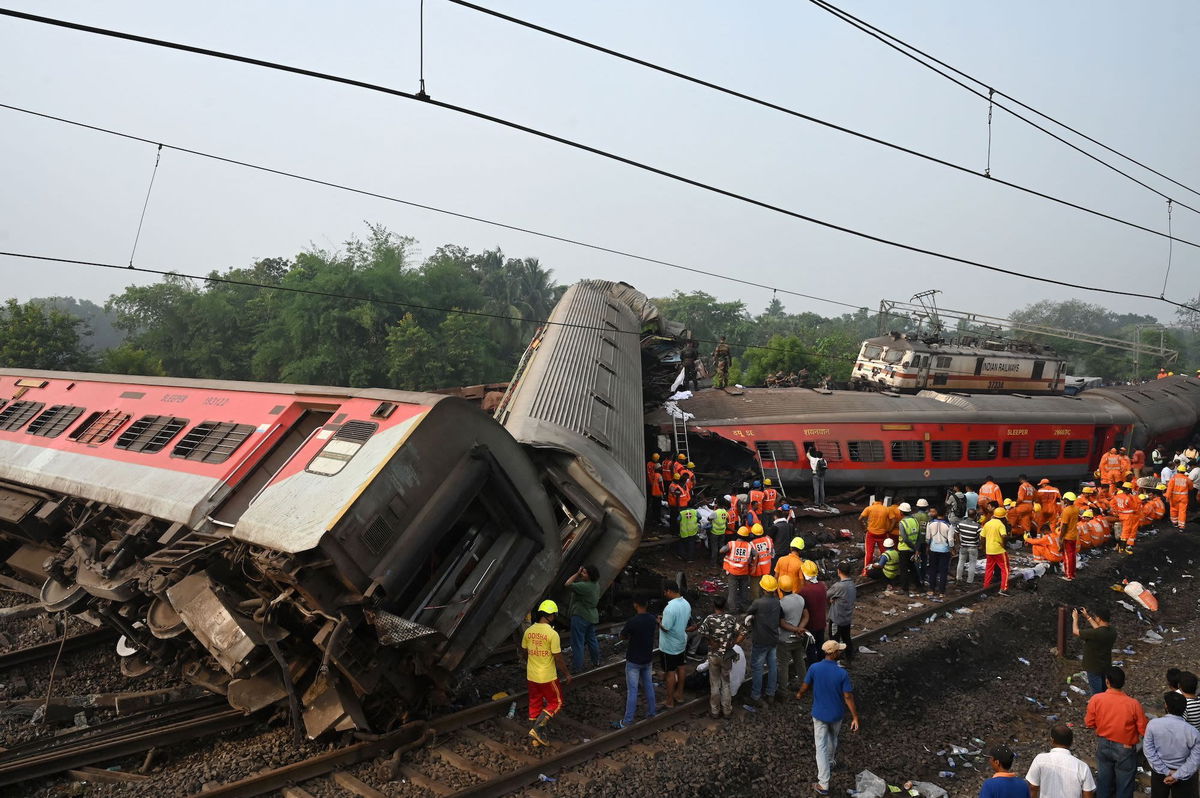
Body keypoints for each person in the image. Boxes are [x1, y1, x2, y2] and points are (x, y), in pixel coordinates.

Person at [795, 640, 859, 797]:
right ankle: (830, 762)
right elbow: (848, 696)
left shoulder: (814, 668)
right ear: (835, 653)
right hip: (837, 714)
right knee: (833, 738)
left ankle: (823, 784)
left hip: (819, 714)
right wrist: (855, 716)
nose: (841, 653)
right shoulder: (842, 673)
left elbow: (805, 685)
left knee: (821, 746)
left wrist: (799, 694)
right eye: (840, 651)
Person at [1085, 666, 1148, 798]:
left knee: (1103, 781)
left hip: (1103, 743)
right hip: (1125, 748)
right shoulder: (1133, 704)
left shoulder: (1096, 699)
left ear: (1107, 682)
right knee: (1124, 784)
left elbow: (1089, 723)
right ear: (1123, 683)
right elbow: (1143, 729)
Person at [521, 600, 572, 746]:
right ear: (551, 616)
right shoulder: (552, 634)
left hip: (531, 675)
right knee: (556, 702)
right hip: (547, 676)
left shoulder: (529, 631)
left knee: (535, 702)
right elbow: (558, 658)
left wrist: (532, 661)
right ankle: (538, 729)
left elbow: (525, 652)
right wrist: (567, 673)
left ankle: (535, 738)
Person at [691, 594, 743, 719]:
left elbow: (700, 632)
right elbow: (743, 632)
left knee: (715, 684)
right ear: (725, 606)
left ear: (714, 606)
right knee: (725, 683)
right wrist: (733, 643)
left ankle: (715, 711)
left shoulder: (709, 619)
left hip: (713, 656)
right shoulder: (731, 619)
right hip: (726, 656)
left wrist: (711, 640)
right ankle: (727, 711)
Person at [1144, 691, 1200, 797]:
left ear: (1166, 706)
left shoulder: (1153, 725)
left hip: (1159, 772)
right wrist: (1177, 774)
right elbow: (1195, 760)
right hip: (1184, 774)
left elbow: (1148, 750)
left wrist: (1166, 771)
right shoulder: (1193, 732)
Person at [615, 596, 657, 728]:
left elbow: (623, 636)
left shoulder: (632, 621)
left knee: (632, 691)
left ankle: (627, 721)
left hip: (634, 660)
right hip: (647, 658)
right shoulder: (652, 619)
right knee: (648, 686)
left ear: (635, 605)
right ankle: (651, 712)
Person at [1024, 723, 1097, 798]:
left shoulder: (1040, 759)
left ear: (1052, 740)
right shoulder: (1082, 767)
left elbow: (1033, 787)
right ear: (1071, 742)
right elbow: (1088, 794)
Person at [744, 574, 782, 709]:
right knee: (772, 666)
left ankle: (755, 696)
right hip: (773, 639)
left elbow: (748, 614)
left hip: (760, 640)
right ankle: (770, 693)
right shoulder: (777, 602)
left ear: (763, 588)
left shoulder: (758, 603)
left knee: (757, 668)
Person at [658, 582, 691, 709]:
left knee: (670, 672)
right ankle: (680, 694)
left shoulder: (670, 608)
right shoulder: (686, 604)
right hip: (681, 642)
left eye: (665, 592)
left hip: (669, 646)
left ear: (670, 591)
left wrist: (659, 621)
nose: (665, 595)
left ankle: (669, 701)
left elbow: (666, 627)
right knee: (681, 667)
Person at [564, 565, 601, 673]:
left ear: (590, 576)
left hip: (580, 616)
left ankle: (577, 668)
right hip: (591, 616)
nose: (581, 574)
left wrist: (576, 573)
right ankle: (596, 661)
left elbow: (567, 584)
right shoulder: (596, 584)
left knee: (578, 643)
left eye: (584, 573)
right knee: (592, 640)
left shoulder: (583, 586)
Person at [776, 574, 810, 691]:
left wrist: (796, 629)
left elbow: (782, 624)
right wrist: (800, 628)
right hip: (798, 638)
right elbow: (806, 616)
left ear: (779, 588)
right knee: (799, 661)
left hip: (784, 639)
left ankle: (783, 690)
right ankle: (804, 685)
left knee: (783, 665)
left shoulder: (781, 604)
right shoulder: (800, 599)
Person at [1074, 606, 1117, 695]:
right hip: (1105, 665)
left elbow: (1075, 631)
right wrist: (1087, 617)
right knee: (1105, 690)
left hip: (1093, 668)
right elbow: (1099, 629)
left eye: (1096, 617)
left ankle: (1100, 707)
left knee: (1097, 694)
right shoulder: (1112, 631)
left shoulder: (1095, 634)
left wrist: (1075, 619)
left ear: (1099, 618)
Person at [798, 559, 829, 661]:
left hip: (810, 626)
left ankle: (813, 670)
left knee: (810, 650)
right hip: (821, 622)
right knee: (820, 648)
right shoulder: (822, 586)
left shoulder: (804, 591)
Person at [826, 561, 857, 662]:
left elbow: (826, 595)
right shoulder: (852, 584)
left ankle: (835, 661)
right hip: (847, 618)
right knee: (846, 638)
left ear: (838, 571)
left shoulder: (838, 586)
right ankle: (849, 659)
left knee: (834, 641)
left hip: (837, 619)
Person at [925, 507, 955, 599]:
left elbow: (928, 538)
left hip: (933, 549)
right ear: (945, 513)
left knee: (932, 570)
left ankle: (931, 590)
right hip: (944, 550)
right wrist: (952, 548)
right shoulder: (949, 525)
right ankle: (941, 592)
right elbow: (950, 540)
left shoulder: (930, 524)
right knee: (943, 571)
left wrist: (928, 546)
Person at [858, 498, 893, 575]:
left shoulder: (869, 508)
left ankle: (866, 572)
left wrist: (864, 528)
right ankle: (885, 569)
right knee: (884, 552)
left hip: (871, 534)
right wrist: (889, 529)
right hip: (882, 534)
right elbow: (892, 520)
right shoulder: (886, 509)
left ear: (874, 500)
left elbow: (860, 519)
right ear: (882, 500)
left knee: (869, 554)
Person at [722, 526, 753, 611]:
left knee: (732, 592)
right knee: (744, 591)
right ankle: (744, 607)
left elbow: (722, 550)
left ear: (737, 534)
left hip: (732, 572)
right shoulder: (749, 546)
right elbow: (755, 554)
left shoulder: (732, 544)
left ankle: (732, 609)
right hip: (744, 572)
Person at [896, 502, 923, 596]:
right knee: (912, 568)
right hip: (913, 549)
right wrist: (916, 548)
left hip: (904, 549)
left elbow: (905, 538)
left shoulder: (902, 523)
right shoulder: (915, 521)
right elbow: (919, 536)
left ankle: (904, 589)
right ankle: (919, 587)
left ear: (902, 512)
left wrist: (913, 547)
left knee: (903, 570)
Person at [983, 506, 1011, 595]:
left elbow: (982, 537)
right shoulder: (1000, 524)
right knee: (1005, 569)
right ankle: (1004, 589)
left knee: (989, 569)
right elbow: (1004, 536)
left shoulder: (987, 523)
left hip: (989, 550)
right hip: (999, 550)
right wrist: (1004, 545)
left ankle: (986, 587)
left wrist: (983, 547)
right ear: (1003, 517)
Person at [1058, 492, 1081, 581]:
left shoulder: (1066, 510)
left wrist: (1061, 537)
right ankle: (1072, 573)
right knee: (1072, 555)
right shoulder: (1076, 508)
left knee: (1067, 556)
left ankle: (1068, 575)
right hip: (1074, 535)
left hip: (1067, 536)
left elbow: (1064, 526)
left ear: (1066, 500)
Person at [748, 523, 775, 599]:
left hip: (756, 569)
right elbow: (772, 554)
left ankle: (756, 602)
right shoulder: (768, 540)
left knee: (755, 588)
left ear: (753, 533)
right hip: (767, 567)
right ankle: (766, 600)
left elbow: (750, 559)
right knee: (766, 586)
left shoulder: (752, 544)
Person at [956, 509, 982, 584]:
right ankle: (969, 581)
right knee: (972, 564)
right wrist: (980, 544)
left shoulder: (961, 523)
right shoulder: (977, 526)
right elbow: (981, 536)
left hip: (963, 546)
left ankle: (958, 578)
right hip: (973, 547)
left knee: (961, 562)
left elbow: (956, 533)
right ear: (975, 515)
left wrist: (959, 543)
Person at [1167, 465, 1192, 529]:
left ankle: (1175, 523)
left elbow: (1169, 489)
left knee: (1173, 510)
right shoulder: (1187, 479)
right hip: (1183, 498)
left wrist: (1167, 497)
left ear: (1177, 471)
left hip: (1174, 498)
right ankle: (1181, 526)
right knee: (1182, 511)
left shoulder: (1173, 478)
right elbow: (1190, 487)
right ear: (1184, 472)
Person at [709, 499, 729, 564]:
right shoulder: (725, 512)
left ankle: (713, 563)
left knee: (714, 547)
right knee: (721, 546)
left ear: (717, 504)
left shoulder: (715, 512)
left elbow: (709, 518)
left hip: (715, 532)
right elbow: (727, 520)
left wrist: (714, 509)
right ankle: (721, 561)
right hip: (722, 531)